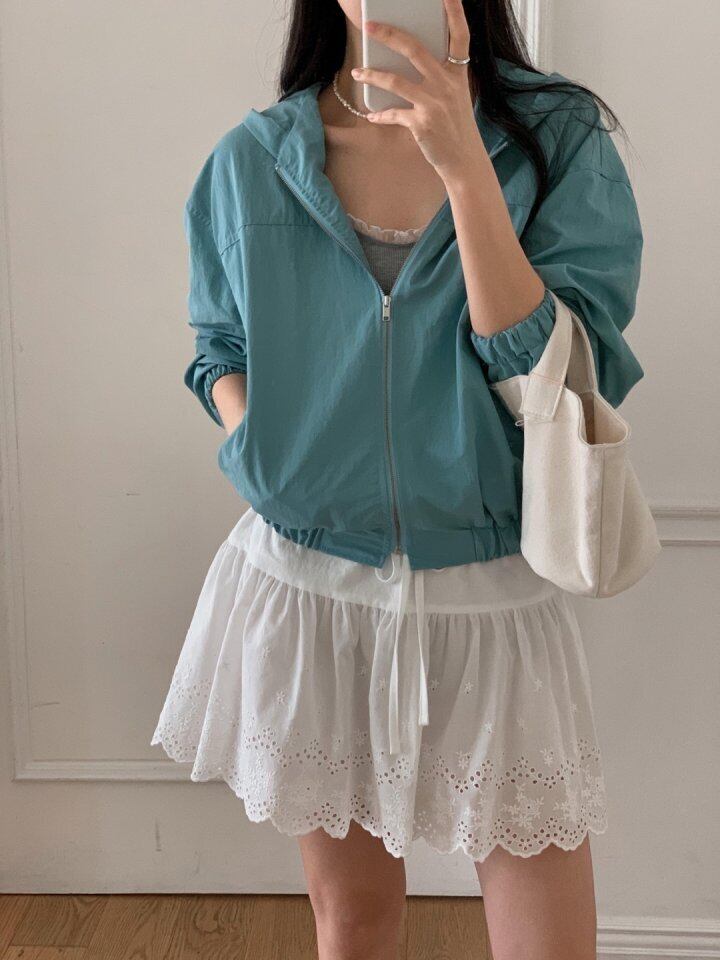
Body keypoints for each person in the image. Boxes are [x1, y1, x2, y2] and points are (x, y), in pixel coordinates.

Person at [152, 0, 645, 957]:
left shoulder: (557, 141)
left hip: (490, 592)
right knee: (354, 923)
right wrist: (266, 456)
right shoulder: (258, 156)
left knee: (547, 936)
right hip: (310, 589)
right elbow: (219, 347)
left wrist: (464, 164)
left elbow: (565, 373)